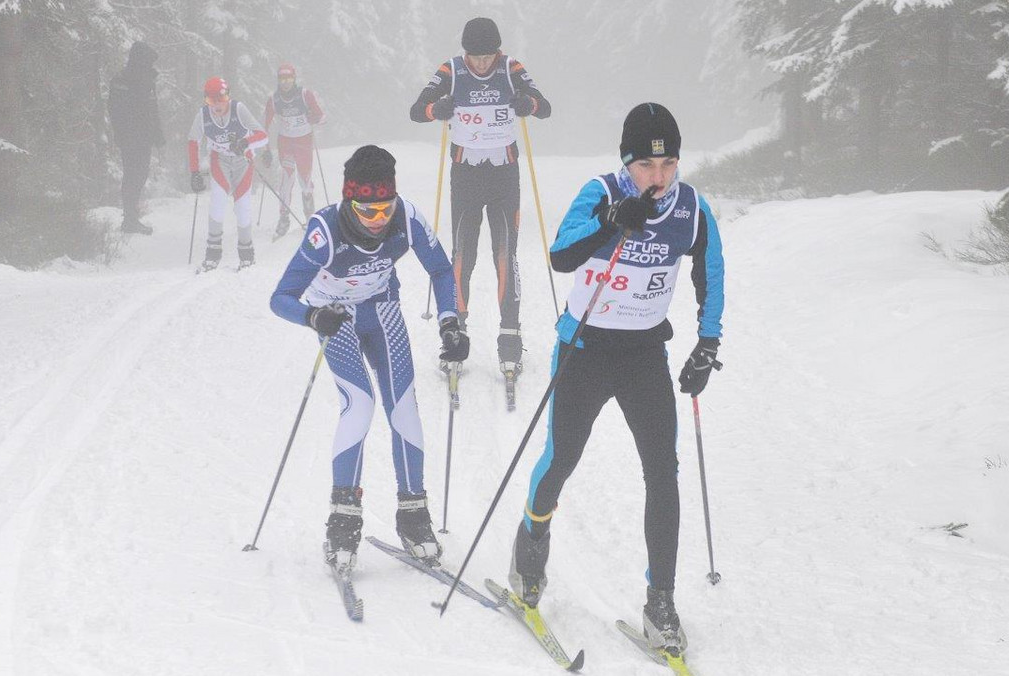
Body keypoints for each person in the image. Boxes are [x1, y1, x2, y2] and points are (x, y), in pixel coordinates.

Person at [506, 103, 725, 656]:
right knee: (561, 459)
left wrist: (708, 343)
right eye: (646, 166)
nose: (658, 177)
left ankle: (661, 600)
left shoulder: (692, 209)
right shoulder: (600, 192)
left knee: (663, 471)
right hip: (584, 349)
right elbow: (559, 255)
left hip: (643, 355)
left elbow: (710, 274)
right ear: (626, 163)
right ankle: (530, 551)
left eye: (668, 164)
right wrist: (611, 221)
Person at [269, 145, 470, 572]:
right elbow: (279, 298)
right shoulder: (325, 231)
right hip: (336, 316)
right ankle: (343, 520)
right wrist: (312, 316)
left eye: (385, 209)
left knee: (405, 406)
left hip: (381, 310)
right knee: (359, 406)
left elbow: (440, 268)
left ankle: (413, 515)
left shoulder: (408, 218)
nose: (379, 221)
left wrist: (451, 322)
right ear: (348, 200)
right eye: (367, 211)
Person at [408, 17, 551, 378]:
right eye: (476, 56)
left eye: (489, 56)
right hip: (466, 173)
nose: (483, 63)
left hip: (504, 173)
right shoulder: (451, 70)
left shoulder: (510, 67)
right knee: (462, 255)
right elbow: (416, 111)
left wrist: (527, 104)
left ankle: (510, 338)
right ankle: (456, 336)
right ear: (465, 52)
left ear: (498, 52)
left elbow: (544, 105)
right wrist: (435, 110)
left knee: (505, 254)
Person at [187, 76, 268, 271]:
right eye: (211, 101)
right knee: (217, 200)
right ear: (206, 100)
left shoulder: (238, 109)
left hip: (243, 161)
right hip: (220, 160)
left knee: (242, 206)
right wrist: (195, 172)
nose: (217, 106)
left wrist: (245, 142)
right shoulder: (203, 115)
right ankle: (213, 254)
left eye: (221, 100)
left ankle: (246, 253)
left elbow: (263, 136)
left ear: (228, 97)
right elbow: (193, 141)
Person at [261, 63, 326, 238]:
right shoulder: (274, 100)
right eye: (282, 79)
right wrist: (266, 150)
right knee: (286, 179)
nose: (285, 83)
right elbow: (264, 126)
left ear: (294, 78)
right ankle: (283, 219)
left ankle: (310, 216)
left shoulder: (305, 94)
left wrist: (314, 117)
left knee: (305, 181)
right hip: (286, 144)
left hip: (304, 142)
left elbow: (321, 116)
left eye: (288, 79)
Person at [107, 41, 165, 235]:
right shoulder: (122, 80)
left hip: (143, 136)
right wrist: (123, 133)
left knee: (139, 175)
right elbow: (116, 110)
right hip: (131, 137)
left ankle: (131, 217)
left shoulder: (145, 79)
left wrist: (158, 135)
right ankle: (130, 219)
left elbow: (152, 108)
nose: (151, 64)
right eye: (148, 60)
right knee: (133, 175)